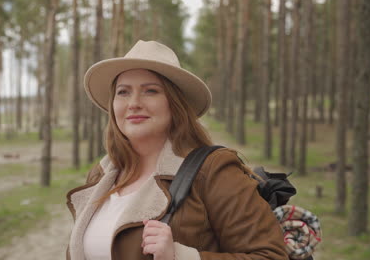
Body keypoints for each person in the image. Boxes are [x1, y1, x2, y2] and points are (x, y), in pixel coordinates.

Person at [66, 40, 288, 260]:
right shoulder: (101, 175)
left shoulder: (213, 170)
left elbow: (272, 256)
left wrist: (180, 256)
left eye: (150, 91)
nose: (133, 103)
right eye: (123, 92)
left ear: (175, 103)